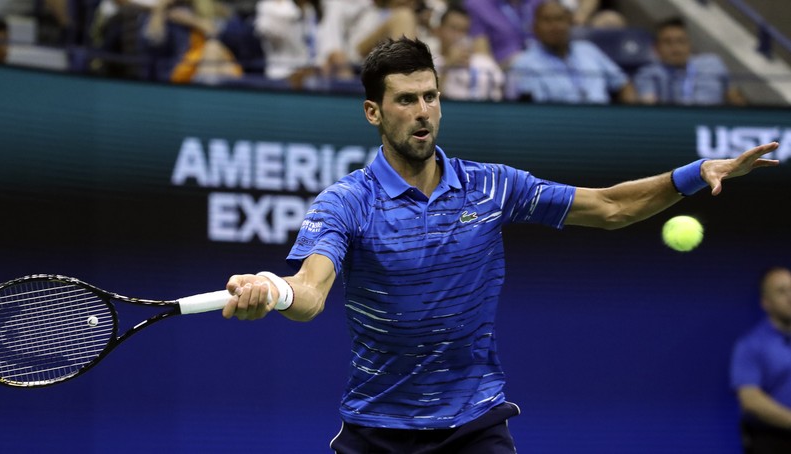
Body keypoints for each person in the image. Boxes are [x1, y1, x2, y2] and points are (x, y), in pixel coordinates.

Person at [214, 36, 779, 452]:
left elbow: (609, 207)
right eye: (406, 100)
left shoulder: (493, 186)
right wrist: (272, 290)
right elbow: (310, 291)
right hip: (376, 429)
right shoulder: (347, 202)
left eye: (431, 97)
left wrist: (691, 172)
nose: (422, 113)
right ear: (373, 112)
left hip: (474, 427)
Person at [505, 0, 636, 104]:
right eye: (547, 20)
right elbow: (538, 112)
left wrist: (630, 117)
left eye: (560, 19)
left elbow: (624, 84)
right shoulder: (524, 64)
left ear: (570, 23)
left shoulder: (589, 50)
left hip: (604, 123)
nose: (554, 26)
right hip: (563, 127)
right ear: (534, 27)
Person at [730, 267, 791, 453]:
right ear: (766, 303)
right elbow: (751, 400)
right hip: (772, 441)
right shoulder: (751, 345)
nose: (790, 297)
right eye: (781, 291)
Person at [634, 17, 746, 106]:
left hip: (713, 124)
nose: (675, 47)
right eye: (668, 42)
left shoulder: (713, 63)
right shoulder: (648, 74)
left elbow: (734, 96)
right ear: (656, 48)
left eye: (681, 41)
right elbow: (649, 106)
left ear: (689, 44)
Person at [431, 3, 504, 101]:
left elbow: (498, 95)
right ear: (438, 30)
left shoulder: (483, 63)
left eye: (464, 31)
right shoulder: (427, 62)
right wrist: (448, 65)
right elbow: (430, 100)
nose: (458, 36)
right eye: (453, 28)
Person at [254, 0, 321, 86]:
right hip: (280, 75)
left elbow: (312, 43)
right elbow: (265, 30)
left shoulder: (309, 10)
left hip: (307, 76)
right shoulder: (267, 6)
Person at [463, 0, 539, 68]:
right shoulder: (477, 5)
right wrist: (519, 62)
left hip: (543, 67)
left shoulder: (538, 3)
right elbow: (482, 59)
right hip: (504, 71)